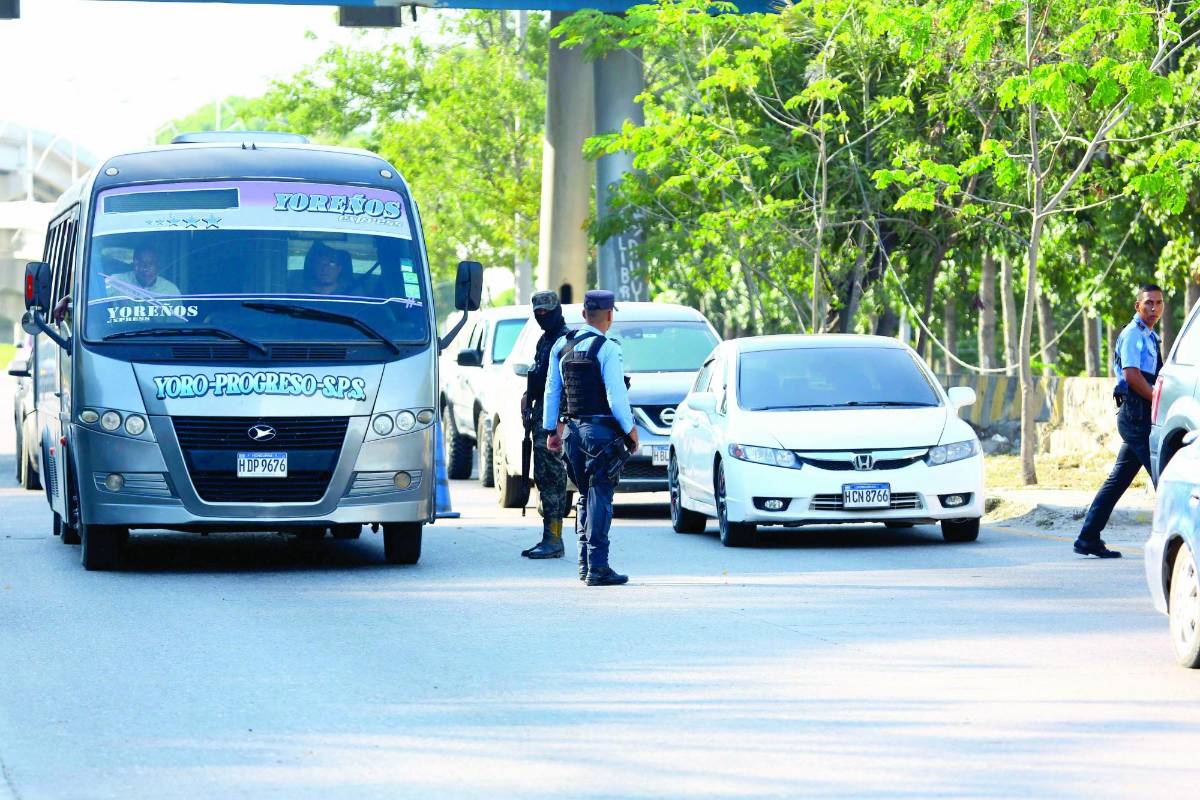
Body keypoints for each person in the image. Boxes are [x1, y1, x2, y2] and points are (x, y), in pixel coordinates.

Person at [543, 289, 639, 586]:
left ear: (584, 314)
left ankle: (585, 564)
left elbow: (552, 391)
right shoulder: (607, 348)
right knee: (600, 496)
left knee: (585, 495)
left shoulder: (562, 345)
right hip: (600, 434)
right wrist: (630, 430)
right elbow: (616, 395)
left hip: (571, 432)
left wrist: (552, 431)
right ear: (609, 316)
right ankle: (598, 566)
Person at [1075, 283, 1165, 559]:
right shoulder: (1132, 335)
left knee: (1118, 480)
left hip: (1142, 413)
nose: (1153, 308)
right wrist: (1157, 400)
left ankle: (1088, 537)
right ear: (1137, 305)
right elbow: (1132, 376)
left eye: (1158, 303)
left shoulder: (1150, 336)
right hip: (1137, 415)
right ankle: (1176, 542)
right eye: (1148, 303)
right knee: (1164, 477)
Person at [519, 291, 573, 560]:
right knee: (543, 478)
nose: (542, 317)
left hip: (553, 421)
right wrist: (529, 397)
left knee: (552, 479)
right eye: (537, 313)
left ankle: (554, 539)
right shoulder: (545, 341)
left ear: (557, 311)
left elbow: (565, 387)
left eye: (546, 313)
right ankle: (549, 537)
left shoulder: (564, 342)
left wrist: (558, 424)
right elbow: (540, 378)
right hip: (541, 417)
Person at [106, 245, 181, 296]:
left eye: (151, 263)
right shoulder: (116, 282)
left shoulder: (170, 290)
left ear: (158, 266)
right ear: (133, 265)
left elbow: (176, 319)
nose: (145, 268)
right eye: (141, 263)